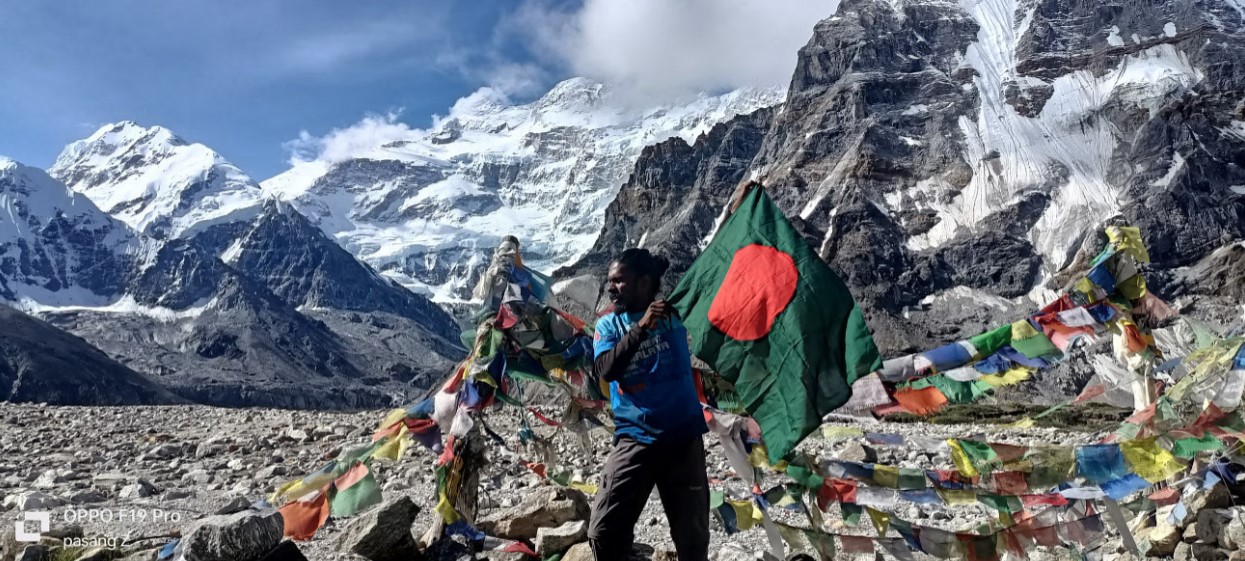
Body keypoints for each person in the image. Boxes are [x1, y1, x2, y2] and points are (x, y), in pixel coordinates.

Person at [588, 248, 709, 561]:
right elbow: (606, 371)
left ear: (644, 283)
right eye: (609, 281)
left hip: (684, 438)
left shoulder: (675, 314)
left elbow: (716, 284)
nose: (611, 287)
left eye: (620, 281)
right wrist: (641, 327)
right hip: (636, 437)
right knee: (604, 530)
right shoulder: (608, 327)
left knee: (692, 538)